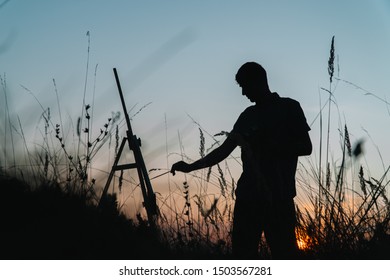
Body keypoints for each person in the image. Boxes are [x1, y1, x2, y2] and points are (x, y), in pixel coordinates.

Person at [171, 62, 312, 259]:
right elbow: (223, 151)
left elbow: (306, 147)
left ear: (259, 81)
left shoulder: (289, 107)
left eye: (245, 86)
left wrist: (269, 144)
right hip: (248, 199)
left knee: (285, 255)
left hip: (279, 199)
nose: (244, 93)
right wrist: (191, 167)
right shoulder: (247, 116)